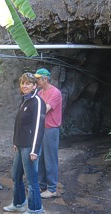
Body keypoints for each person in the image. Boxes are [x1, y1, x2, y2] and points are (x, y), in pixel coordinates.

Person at [3, 73, 46, 214]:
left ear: (35, 85)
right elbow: (19, 124)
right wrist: (16, 141)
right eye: (22, 83)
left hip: (29, 147)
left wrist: (34, 150)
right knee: (16, 176)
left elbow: (38, 128)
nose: (24, 86)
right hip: (21, 145)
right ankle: (19, 203)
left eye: (28, 83)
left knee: (32, 180)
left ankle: (34, 211)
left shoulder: (37, 102)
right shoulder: (25, 100)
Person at [34, 68, 63, 199]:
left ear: (45, 79)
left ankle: (51, 188)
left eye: (38, 79)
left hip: (51, 129)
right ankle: (41, 185)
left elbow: (44, 109)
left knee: (50, 158)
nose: (36, 81)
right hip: (41, 128)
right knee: (40, 158)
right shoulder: (40, 92)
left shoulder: (55, 93)